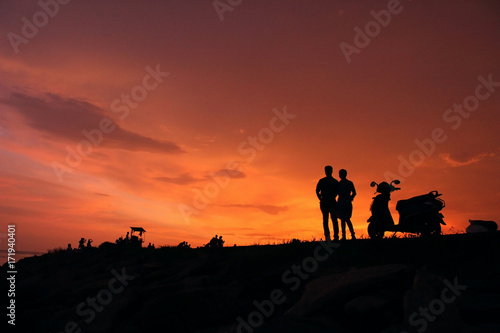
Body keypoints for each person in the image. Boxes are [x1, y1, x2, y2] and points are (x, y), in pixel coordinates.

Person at [316, 165, 339, 241]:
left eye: (329, 170)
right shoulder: (324, 181)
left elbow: (337, 191)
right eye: (327, 171)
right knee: (327, 220)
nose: (328, 172)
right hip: (326, 202)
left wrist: (321, 198)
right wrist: (321, 198)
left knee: (332, 220)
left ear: (331, 171)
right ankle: (329, 237)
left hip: (330, 202)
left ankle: (335, 237)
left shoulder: (333, 181)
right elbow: (317, 190)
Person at [337, 169, 356, 240]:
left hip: (344, 202)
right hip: (343, 202)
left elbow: (354, 192)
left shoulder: (345, 183)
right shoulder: (342, 183)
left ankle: (351, 235)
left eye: (340, 174)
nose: (340, 175)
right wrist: (350, 197)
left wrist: (350, 198)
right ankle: (346, 235)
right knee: (344, 219)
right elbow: (354, 193)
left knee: (346, 219)